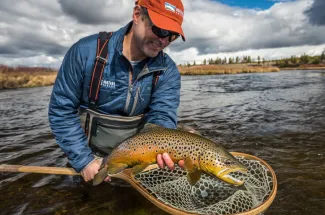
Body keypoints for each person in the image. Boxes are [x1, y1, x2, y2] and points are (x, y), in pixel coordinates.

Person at [48, 0, 188, 183]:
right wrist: (83, 160)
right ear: (137, 15)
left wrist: (163, 149)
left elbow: (162, 115)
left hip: (139, 160)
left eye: (172, 35)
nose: (163, 41)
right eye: (160, 30)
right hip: (90, 156)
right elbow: (61, 111)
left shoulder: (167, 71)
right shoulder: (85, 53)